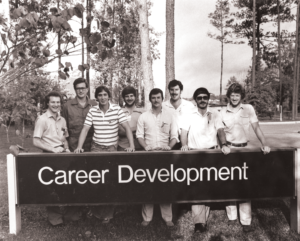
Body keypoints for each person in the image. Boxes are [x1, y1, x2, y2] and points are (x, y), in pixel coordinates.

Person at [74, 86, 135, 223]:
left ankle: (108, 214)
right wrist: (79, 147)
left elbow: (127, 128)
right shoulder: (92, 111)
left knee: (110, 182)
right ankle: (96, 212)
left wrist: (131, 146)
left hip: (112, 149)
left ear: (109, 96)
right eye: (100, 95)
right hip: (96, 148)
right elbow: (85, 129)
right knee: (96, 181)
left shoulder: (117, 110)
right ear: (96, 98)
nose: (102, 97)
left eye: (105, 95)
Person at [220, 83, 271, 233]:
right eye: (232, 95)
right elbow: (220, 131)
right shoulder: (223, 111)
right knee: (230, 184)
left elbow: (256, 127)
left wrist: (265, 143)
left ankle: (246, 220)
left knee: (244, 184)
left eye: (237, 95)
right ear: (228, 96)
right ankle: (231, 217)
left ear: (241, 96)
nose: (234, 98)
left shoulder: (248, 109)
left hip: (244, 150)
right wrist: (223, 145)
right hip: (228, 150)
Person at [180, 87, 230, 233]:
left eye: (204, 97)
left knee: (207, 187)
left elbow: (220, 131)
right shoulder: (188, 114)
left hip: (211, 153)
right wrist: (184, 145)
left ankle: (203, 217)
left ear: (208, 99)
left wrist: (224, 144)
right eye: (199, 97)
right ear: (195, 100)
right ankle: (199, 222)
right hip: (194, 154)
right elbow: (184, 132)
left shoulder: (215, 114)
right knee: (196, 187)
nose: (202, 100)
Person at [33, 91, 80, 226]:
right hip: (49, 155)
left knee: (69, 184)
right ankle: (55, 219)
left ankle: (70, 216)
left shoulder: (62, 119)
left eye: (58, 102)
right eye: (53, 102)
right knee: (51, 188)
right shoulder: (42, 119)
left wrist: (66, 148)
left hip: (62, 155)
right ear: (47, 103)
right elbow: (36, 141)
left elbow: (64, 138)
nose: (56, 105)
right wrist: (53, 149)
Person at [136, 88, 178, 227]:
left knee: (165, 186)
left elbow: (174, 137)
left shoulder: (170, 115)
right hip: (149, 155)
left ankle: (167, 218)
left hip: (165, 155)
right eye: (153, 98)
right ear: (150, 99)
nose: (156, 100)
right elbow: (139, 136)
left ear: (161, 98)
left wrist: (169, 147)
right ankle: (147, 217)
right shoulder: (144, 116)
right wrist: (145, 147)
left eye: (158, 97)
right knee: (148, 186)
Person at [61, 78, 97, 152]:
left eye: (83, 88)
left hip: (92, 144)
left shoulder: (94, 105)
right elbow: (63, 126)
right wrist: (65, 143)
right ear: (75, 90)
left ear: (87, 89)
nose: (81, 91)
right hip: (73, 144)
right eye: (78, 88)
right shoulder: (67, 106)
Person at [162, 79, 195, 150]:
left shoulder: (189, 105)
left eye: (176, 89)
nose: (174, 92)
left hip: (187, 141)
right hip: (169, 141)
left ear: (181, 91)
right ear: (169, 91)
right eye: (172, 90)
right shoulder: (163, 106)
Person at [118, 86, 145, 151]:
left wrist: (127, 129)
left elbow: (145, 130)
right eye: (127, 96)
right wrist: (136, 129)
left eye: (131, 96)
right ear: (123, 98)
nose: (129, 98)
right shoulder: (119, 111)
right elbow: (120, 131)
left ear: (135, 97)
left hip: (140, 146)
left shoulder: (142, 112)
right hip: (123, 146)